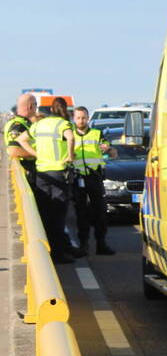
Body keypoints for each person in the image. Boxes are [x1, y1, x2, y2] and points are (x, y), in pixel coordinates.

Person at [19, 97, 76, 263]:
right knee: (58, 216)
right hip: (59, 173)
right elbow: (71, 138)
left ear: (51, 110)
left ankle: (44, 253)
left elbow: (21, 140)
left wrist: (36, 154)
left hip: (42, 173)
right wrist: (70, 157)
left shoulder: (40, 124)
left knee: (44, 214)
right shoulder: (63, 124)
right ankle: (58, 254)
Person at [70, 106, 116, 255]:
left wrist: (108, 149)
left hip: (94, 177)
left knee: (100, 211)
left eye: (83, 117)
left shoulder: (97, 134)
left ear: (88, 118)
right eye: (78, 118)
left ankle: (101, 244)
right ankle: (83, 244)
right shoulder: (69, 135)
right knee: (81, 212)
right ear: (73, 118)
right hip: (78, 178)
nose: (81, 120)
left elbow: (113, 152)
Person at [5, 93, 39, 191]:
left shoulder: (21, 123)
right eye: (36, 105)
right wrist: (36, 154)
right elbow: (13, 150)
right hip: (26, 172)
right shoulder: (18, 125)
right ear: (30, 106)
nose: (36, 108)